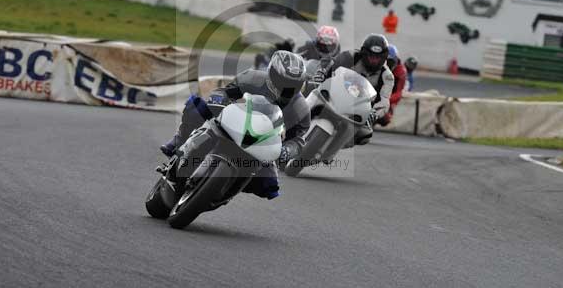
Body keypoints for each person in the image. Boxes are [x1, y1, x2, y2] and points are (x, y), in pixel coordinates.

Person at [161, 50, 310, 200]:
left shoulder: (300, 109)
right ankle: (178, 142)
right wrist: (219, 101)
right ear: (271, 73)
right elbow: (224, 92)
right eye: (282, 81)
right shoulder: (252, 78)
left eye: (293, 85)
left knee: (269, 186)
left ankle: (227, 189)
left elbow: (298, 141)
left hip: (262, 145)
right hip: (234, 121)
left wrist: (286, 151)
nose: (287, 88)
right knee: (197, 106)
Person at [317, 33, 394, 145]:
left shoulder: (387, 76)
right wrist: (321, 74)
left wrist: (374, 113)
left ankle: (332, 150)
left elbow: (384, 101)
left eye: (377, 58)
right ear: (364, 53)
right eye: (371, 56)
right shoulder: (350, 56)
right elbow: (331, 64)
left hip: (357, 109)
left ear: (384, 57)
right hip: (334, 95)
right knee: (312, 94)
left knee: (365, 134)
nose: (374, 61)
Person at [377, 44, 407, 127]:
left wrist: (385, 100)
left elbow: (398, 93)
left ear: (395, 60)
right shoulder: (376, 65)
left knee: (385, 118)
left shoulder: (401, 71)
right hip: (375, 93)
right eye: (385, 61)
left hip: (387, 96)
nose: (387, 65)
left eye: (389, 62)